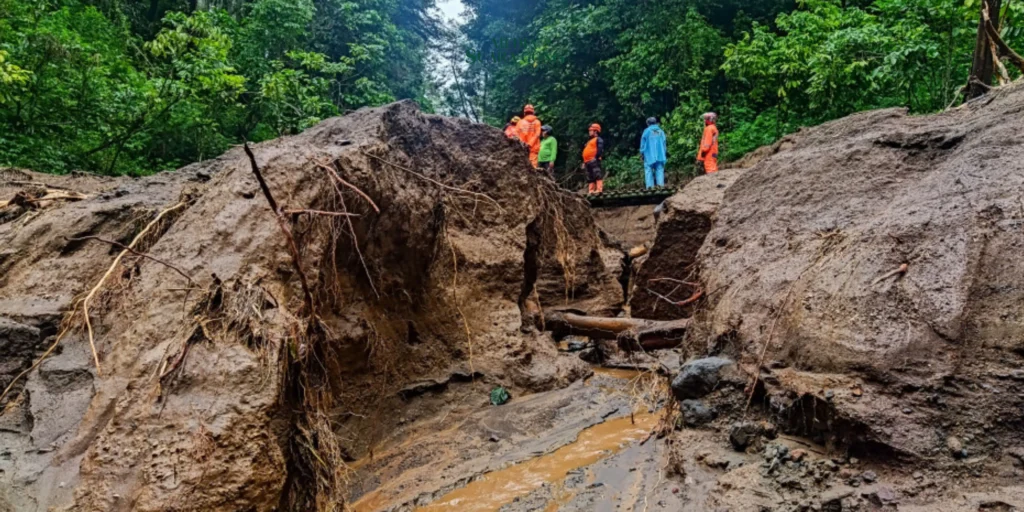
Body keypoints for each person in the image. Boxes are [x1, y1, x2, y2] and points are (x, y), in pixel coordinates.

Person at [640, 117, 667, 188]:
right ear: (655, 123)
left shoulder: (646, 131)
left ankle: (649, 187)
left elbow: (643, 144)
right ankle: (660, 186)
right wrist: (664, 153)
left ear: (648, 124)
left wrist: (642, 153)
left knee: (648, 170)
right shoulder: (661, 132)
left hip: (649, 155)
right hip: (660, 154)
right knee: (659, 169)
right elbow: (664, 144)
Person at [581, 123, 604, 194]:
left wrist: (596, 157)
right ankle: (591, 190)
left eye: (591, 130)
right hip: (587, 161)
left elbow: (600, 149)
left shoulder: (598, 139)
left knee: (597, 174)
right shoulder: (589, 141)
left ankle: (599, 189)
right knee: (589, 176)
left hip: (594, 160)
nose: (589, 132)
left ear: (595, 131)